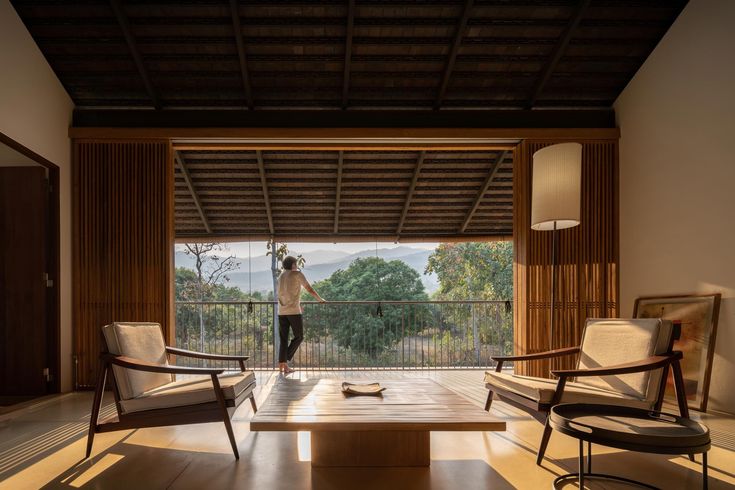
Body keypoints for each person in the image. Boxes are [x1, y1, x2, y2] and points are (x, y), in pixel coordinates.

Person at [276, 255, 325, 374]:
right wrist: (320, 299)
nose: (297, 265)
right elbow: (309, 289)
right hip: (293, 311)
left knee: (283, 339)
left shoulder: (281, 276)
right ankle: (285, 358)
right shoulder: (297, 274)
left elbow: (283, 293)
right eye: (296, 263)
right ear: (293, 265)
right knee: (299, 336)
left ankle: (283, 365)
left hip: (282, 311)